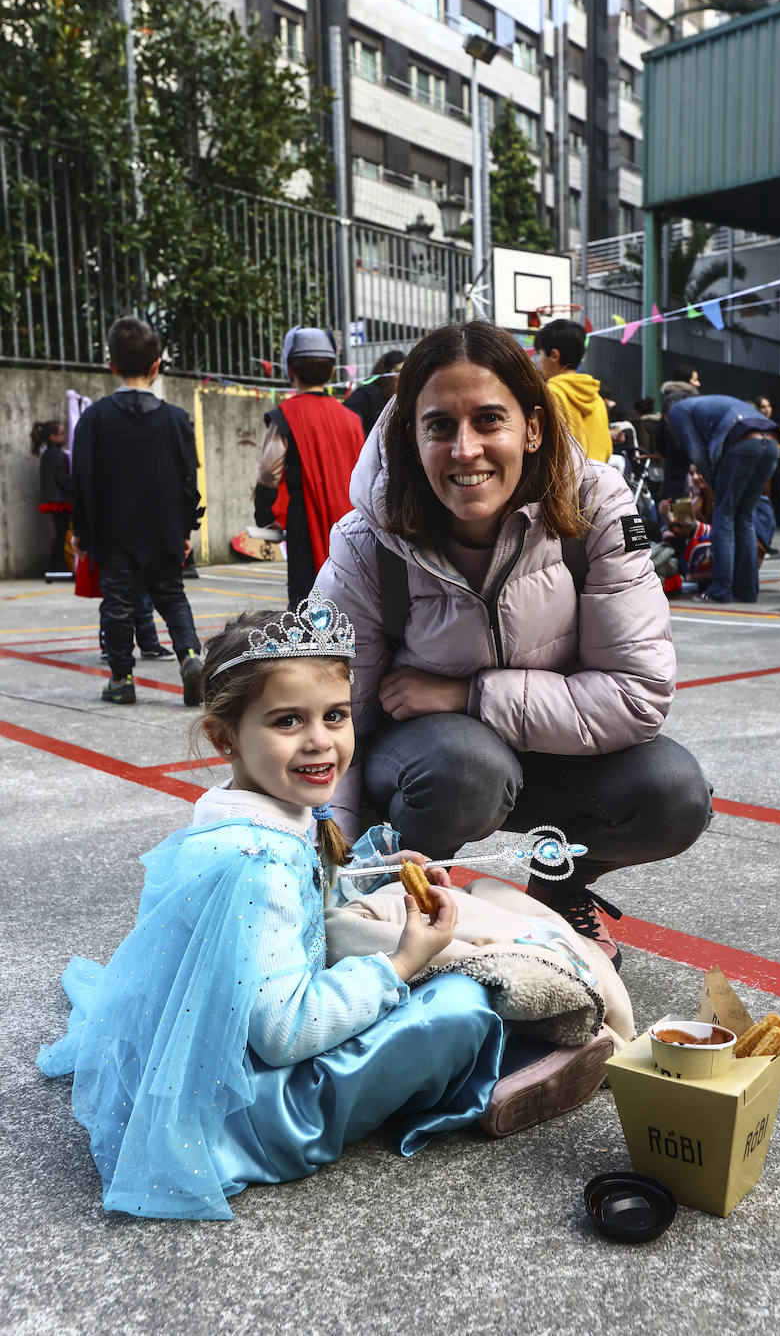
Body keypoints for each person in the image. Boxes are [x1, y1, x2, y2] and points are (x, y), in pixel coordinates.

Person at [36, 595, 505, 1220]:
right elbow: (285, 1034)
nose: (320, 742)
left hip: (236, 1052)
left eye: (335, 715)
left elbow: (310, 894)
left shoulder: (258, 810)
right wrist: (399, 966)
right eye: (287, 721)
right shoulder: (254, 865)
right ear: (223, 738)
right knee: (463, 1008)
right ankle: (492, 1082)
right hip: (248, 1106)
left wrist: (383, 864)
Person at [316, 321, 712, 968]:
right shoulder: (368, 543)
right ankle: (401, 905)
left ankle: (559, 890)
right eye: (439, 425)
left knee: (673, 791)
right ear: (410, 438)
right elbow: (330, 719)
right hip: (429, 770)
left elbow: (638, 694)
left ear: (531, 428)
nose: (466, 449)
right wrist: (338, 883)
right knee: (466, 766)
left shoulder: (599, 511)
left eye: (489, 420)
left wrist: (467, 695)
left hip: (558, 754)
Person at [71, 317, 204, 706]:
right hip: (163, 530)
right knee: (173, 598)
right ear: (156, 366)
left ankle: (121, 678)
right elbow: (188, 481)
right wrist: (184, 531)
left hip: (114, 534)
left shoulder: (93, 419)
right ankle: (191, 656)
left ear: (111, 365)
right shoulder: (177, 419)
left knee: (117, 604)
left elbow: (82, 479)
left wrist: (82, 531)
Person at [254, 327, 365, 608]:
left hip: (305, 518)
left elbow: (270, 470)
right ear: (330, 371)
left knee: (305, 597)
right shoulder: (352, 418)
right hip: (350, 520)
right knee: (348, 595)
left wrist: (264, 511)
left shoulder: (286, 415)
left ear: (290, 368)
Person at [663, 381, 780, 603]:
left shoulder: (678, 410)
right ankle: (747, 591)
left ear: (667, 415)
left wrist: (714, 485)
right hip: (771, 442)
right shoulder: (708, 403)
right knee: (745, 517)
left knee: (723, 517)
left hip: (742, 442)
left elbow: (696, 451)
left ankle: (721, 590)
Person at [534, 318, 612, 462]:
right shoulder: (596, 397)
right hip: (599, 478)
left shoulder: (551, 393)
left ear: (554, 355)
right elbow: (607, 448)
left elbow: (550, 449)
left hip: (570, 480)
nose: (538, 360)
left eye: (539, 353)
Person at [30, 420, 71, 575]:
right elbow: (63, 480)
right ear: (53, 437)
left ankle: (57, 565)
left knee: (60, 532)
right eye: (62, 433)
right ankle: (58, 566)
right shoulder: (59, 455)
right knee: (61, 533)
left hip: (54, 499)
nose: (65, 436)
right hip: (61, 500)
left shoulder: (48, 454)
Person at [344, 349, 406, 438]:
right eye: (398, 371)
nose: (402, 375)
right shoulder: (368, 393)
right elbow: (347, 414)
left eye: (405, 371)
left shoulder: (405, 394)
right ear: (386, 373)